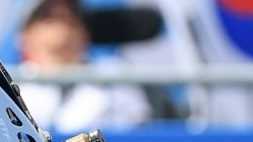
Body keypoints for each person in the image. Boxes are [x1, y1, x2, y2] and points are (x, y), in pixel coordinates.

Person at [17, 0, 152, 133]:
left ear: (86, 32)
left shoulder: (116, 76)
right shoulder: (11, 86)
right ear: (25, 34)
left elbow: (138, 135)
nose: (62, 17)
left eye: (73, 15)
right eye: (48, 15)